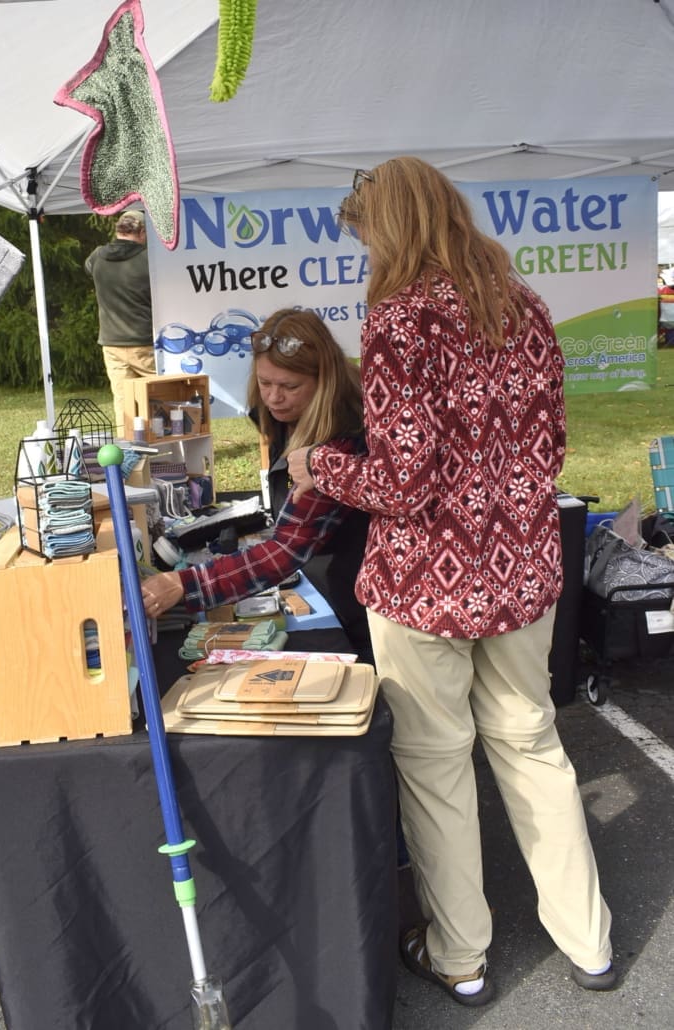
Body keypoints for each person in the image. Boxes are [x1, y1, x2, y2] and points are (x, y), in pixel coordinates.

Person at [287, 157, 615, 1005]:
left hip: (423, 586)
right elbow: (551, 448)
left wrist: (318, 465)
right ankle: (588, 942)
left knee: (435, 768)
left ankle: (460, 957)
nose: (365, 252)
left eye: (365, 235)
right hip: (521, 574)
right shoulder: (524, 305)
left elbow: (402, 482)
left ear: (390, 227)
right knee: (531, 746)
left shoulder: (400, 319)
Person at [141, 307, 373, 664]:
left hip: (355, 598)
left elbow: (286, 550)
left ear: (324, 381)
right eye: (265, 383)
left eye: (290, 386)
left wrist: (183, 584)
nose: (274, 397)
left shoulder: (339, 442)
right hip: (324, 575)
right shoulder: (279, 413)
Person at [85, 209, 155, 435]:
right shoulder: (148, 259)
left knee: (124, 401)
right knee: (158, 395)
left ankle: (128, 446)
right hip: (143, 342)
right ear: (142, 232)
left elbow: (88, 269)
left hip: (111, 343)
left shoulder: (97, 256)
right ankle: (161, 441)